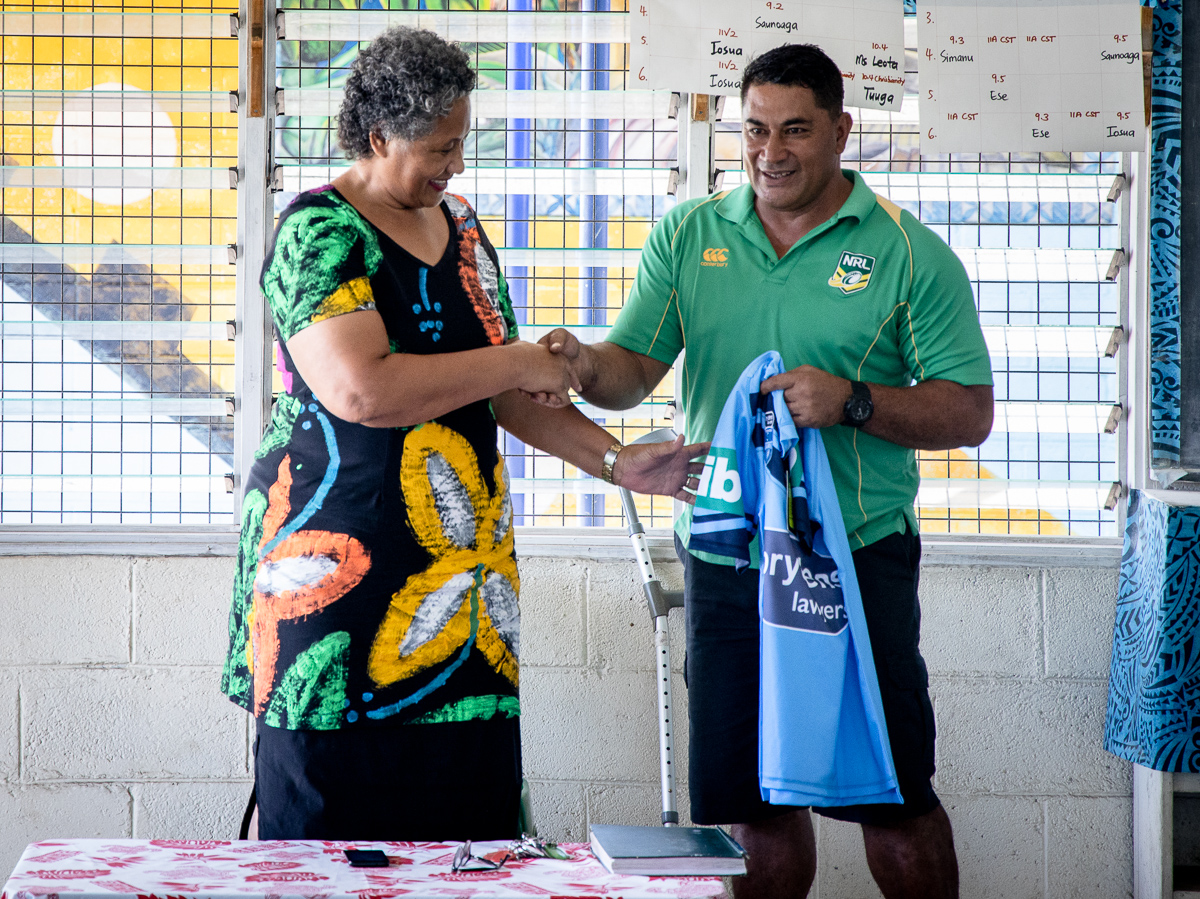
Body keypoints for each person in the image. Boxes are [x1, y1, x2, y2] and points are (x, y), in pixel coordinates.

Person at [219, 26, 706, 841]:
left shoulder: (463, 228)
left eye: (461, 142)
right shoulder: (318, 234)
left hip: (459, 592)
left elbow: (507, 393)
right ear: (380, 135)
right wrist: (515, 357)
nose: (456, 164)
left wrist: (618, 461)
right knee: (324, 847)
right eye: (440, 148)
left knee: (469, 846)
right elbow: (362, 389)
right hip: (332, 589)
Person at [534, 43, 994, 899]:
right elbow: (633, 369)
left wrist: (854, 400)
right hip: (727, 556)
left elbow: (969, 412)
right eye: (753, 130)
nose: (769, 152)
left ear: (842, 132)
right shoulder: (690, 234)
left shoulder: (908, 253)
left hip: (853, 558)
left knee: (892, 797)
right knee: (749, 806)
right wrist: (583, 365)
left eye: (795, 131)